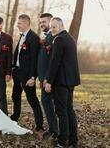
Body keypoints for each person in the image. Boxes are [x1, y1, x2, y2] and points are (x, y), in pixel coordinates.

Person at [45, 17, 80, 148]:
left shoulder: (59, 40)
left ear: (61, 25)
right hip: (70, 81)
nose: (52, 29)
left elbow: (55, 62)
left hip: (60, 82)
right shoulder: (70, 39)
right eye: (51, 27)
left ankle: (62, 141)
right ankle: (73, 140)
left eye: (55, 26)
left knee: (62, 111)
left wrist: (49, 81)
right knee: (69, 110)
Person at [11, 14, 45, 138]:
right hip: (18, 73)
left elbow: (34, 60)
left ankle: (39, 125)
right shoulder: (22, 36)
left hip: (27, 75)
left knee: (32, 100)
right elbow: (19, 54)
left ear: (26, 23)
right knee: (15, 96)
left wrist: (32, 77)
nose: (17, 25)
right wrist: (13, 67)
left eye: (19, 23)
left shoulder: (33, 38)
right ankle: (14, 117)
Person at [37, 13, 58, 139]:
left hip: (48, 78)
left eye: (44, 22)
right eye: (40, 22)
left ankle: (55, 131)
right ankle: (54, 129)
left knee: (48, 102)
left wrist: (47, 78)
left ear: (50, 22)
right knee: (47, 102)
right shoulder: (45, 37)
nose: (41, 24)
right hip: (43, 77)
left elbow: (53, 60)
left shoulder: (53, 37)